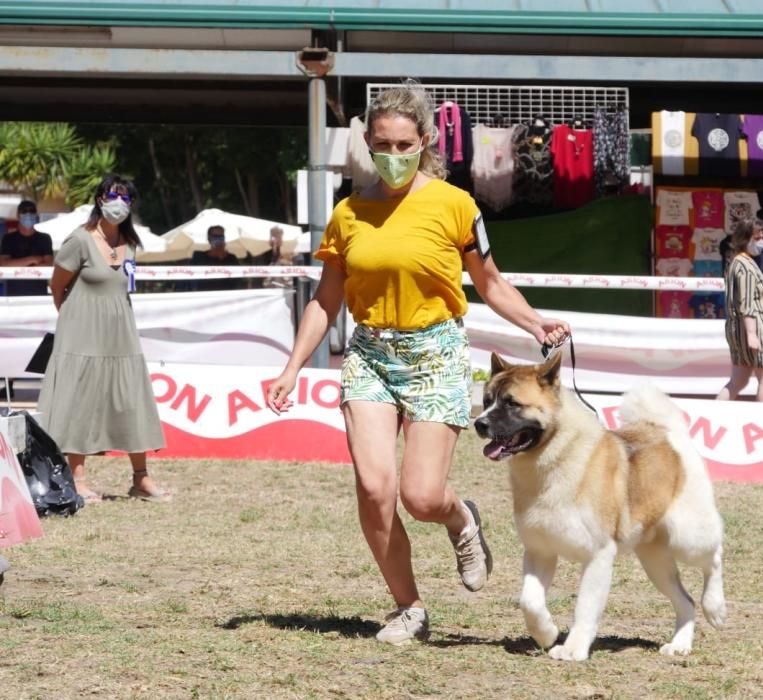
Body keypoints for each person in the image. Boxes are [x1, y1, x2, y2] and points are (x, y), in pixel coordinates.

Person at [265, 81, 571, 646]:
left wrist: (535, 324)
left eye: (405, 144)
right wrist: (291, 368)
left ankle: (461, 520)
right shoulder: (348, 213)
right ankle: (408, 608)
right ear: (368, 141)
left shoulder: (456, 205)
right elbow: (325, 300)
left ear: (425, 141)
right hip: (371, 355)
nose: (394, 155)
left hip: (436, 352)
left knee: (421, 496)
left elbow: (492, 283)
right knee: (374, 489)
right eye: (383, 143)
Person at [37, 174, 170, 503]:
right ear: (99, 199)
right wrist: (71, 321)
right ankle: (77, 478)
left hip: (121, 334)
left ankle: (141, 478)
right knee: (79, 403)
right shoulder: (79, 240)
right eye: (113, 195)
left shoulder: (131, 244)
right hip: (81, 333)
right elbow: (58, 286)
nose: (119, 203)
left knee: (131, 401)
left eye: (126, 198)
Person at [716, 218, 763, 402]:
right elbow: (747, 302)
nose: (762, 241)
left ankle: (713, 415)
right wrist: (752, 334)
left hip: (737, 328)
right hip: (751, 327)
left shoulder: (735, 262)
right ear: (746, 238)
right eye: (757, 237)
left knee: (738, 381)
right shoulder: (746, 266)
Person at [0, 199, 54, 399]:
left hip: (39, 299)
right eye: (25, 211)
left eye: (32, 211)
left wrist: (18, 263)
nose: (29, 214)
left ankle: (46, 383)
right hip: (14, 298)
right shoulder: (9, 239)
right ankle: (9, 382)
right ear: (18, 215)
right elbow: (4, 264)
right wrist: (32, 259)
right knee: (12, 339)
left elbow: (48, 265)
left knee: (42, 341)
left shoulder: (44, 238)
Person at [190, 225, 243, 291]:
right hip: (205, 296)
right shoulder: (199, 257)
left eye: (221, 236)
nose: (219, 239)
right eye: (215, 236)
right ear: (209, 239)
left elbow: (238, 280)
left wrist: (223, 257)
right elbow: (193, 279)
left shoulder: (231, 258)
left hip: (227, 296)